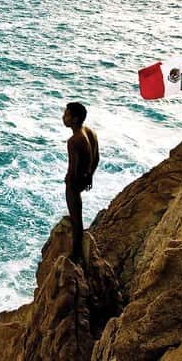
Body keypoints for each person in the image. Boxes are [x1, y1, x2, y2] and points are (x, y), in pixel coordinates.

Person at [63, 102, 99, 262]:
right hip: (86, 177)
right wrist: (89, 175)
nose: (63, 117)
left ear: (75, 119)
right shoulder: (89, 132)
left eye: (67, 115)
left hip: (75, 183)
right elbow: (96, 156)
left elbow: (73, 168)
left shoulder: (74, 141)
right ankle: (77, 248)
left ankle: (75, 253)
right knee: (76, 215)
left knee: (76, 217)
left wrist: (70, 183)